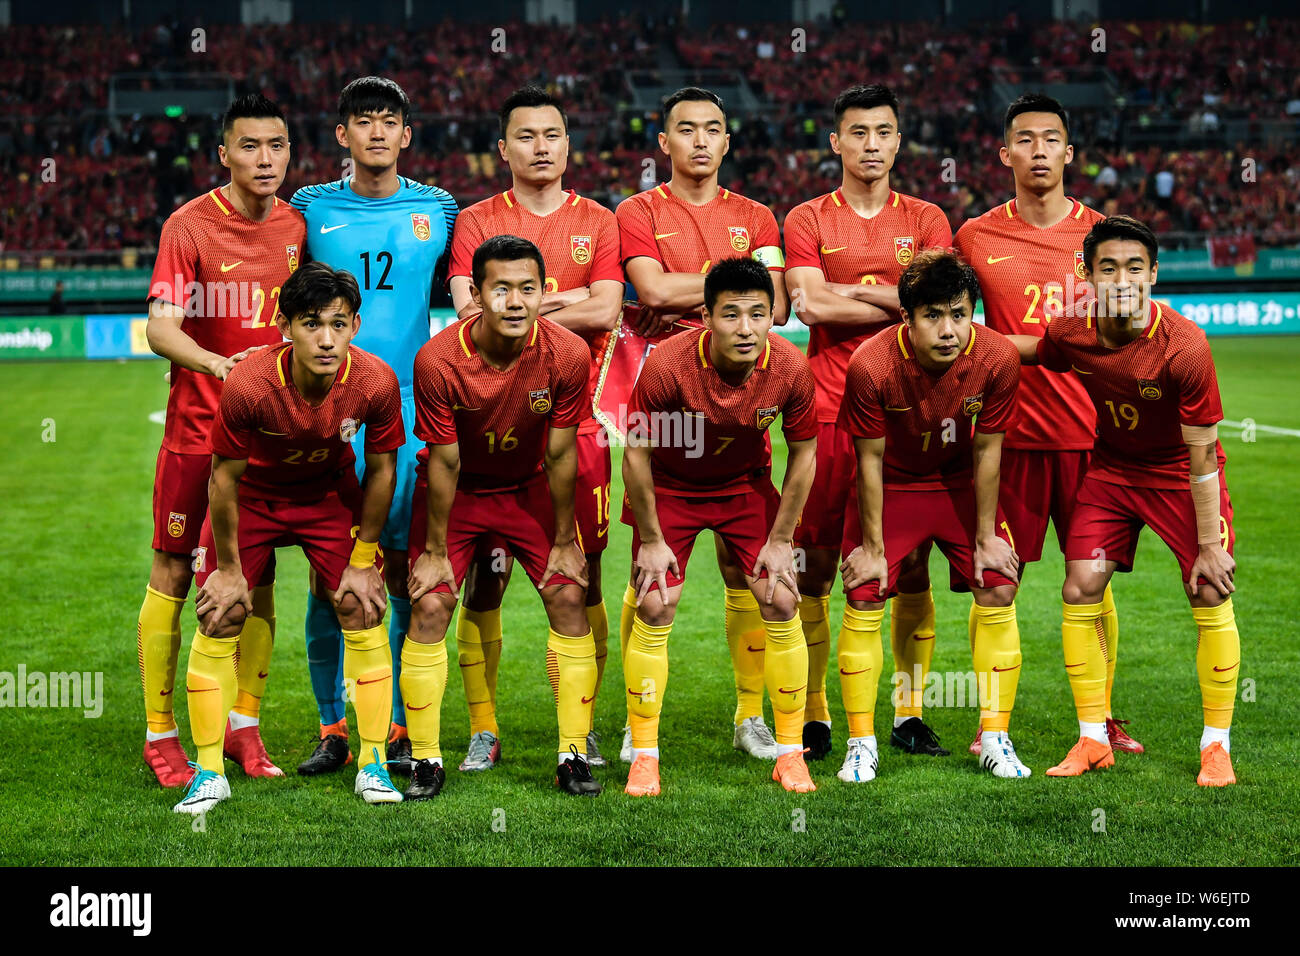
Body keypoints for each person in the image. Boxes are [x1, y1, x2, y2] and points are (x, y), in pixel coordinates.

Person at [1007, 215, 1240, 786]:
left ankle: (1216, 747)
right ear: (1086, 274)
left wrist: (1209, 546)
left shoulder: (1185, 345)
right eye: (1107, 267)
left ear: (1154, 273)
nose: (1122, 278)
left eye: (1135, 266)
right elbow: (1040, 352)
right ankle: (1092, 739)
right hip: (1111, 472)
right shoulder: (1073, 331)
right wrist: (966, 341)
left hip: (1179, 474)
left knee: (1209, 588)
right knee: (1079, 586)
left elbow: (1204, 454)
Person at [172, 262, 406, 814]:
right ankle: (207, 772)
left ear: (355, 324)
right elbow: (222, 478)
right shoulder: (250, 382)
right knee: (220, 613)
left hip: (326, 497)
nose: (326, 339)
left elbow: (381, 472)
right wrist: (228, 569)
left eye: (339, 323)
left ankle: (371, 765)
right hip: (251, 498)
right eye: (311, 323)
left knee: (362, 603)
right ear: (285, 326)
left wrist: (364, 557)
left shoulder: (374, 380)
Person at [953, 93, 1141, 756]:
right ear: (1005, 154)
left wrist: (1018, 342)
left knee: (1092, 581)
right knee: (995, 582)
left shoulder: (1105, 240)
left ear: (1068, 152)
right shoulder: (974, 237)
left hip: (1095, 440)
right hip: (1005, 442)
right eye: (1024, 140)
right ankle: (990, 727)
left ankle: (1102, 719)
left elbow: (1126, 332)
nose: (1038, 150)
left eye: (1050, 139)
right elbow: (959, 331)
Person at [445, 86, 622, 771]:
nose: (540, 146)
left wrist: (523, 309)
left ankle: (580, 728)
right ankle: (484, 730)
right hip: (489, 428)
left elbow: (607, 310)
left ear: (567, 145)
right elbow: (469, 316)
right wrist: (567, 299)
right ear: (503, 149)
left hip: (578, 430)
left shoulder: (599, 220)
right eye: (526, 136)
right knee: (484, 581)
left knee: (584, 580)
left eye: (552, 134)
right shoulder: (476, 220)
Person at [613, 86, 789, 763]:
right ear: (664, 143)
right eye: (685, 130)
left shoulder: (757, 213)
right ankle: (638, 717)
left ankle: (751, 718)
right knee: (649, 575)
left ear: (727, 140)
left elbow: (771, 301)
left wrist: (694, 287)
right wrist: (729, 285)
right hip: (664, 408)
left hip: (744, 406)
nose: (700, 141)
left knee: (749, 576)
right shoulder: (636, 210)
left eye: (712, 129)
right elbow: (649, 293)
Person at [290, 77, 459, 776]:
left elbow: (472, 299)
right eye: (364, 122)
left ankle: (385, 718)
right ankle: (332, 727)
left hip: (410, 418)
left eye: (390, 121)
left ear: (407, 134)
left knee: (393, 571)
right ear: (342, 135)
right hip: (326, 416)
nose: (378, 133)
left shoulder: (439, 210)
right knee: (327, 576)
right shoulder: (308, 209)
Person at [138, 93, 305, 788]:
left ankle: (243, 725)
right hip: (199, 434)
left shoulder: (299, 226)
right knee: (176, 572)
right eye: (250, 147)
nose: (264, 160)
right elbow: (161, 327)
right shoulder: (189, 226)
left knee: (256, 577)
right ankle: (160, 733)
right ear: (224, 154)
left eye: (277, 146)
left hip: (270, 438)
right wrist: (215, 365)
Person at [782, 84, 952, 761]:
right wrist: (895, 298)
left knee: (910, 570)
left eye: (884, 132)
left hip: (914, 414)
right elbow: (811, 307)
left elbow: (937, 306)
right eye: (859, 133)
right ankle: (818, 715)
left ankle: (909, 714)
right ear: (837, 142)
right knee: (816, 567)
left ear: (899, 141)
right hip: (828, 412)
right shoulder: (806, 218)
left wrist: (850, 291)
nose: (872, 144)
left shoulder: (930, 218)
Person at [402, 235, 600, 800]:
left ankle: (572, 754)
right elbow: (444, 460)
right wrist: (436, 551)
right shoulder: (439, 360)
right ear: (477, 294)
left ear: (545, 292)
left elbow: (561, 453)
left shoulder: (567, 353)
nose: (516, 301)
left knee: (568, 593)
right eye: (502, 289)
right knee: (433, 600)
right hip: (458, 491)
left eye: (528, 289)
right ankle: (425, 759)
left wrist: (566, 539)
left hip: (528, 487)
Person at [621, 257, 818, 796]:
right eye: (731, 315)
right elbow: (634, 453)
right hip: (670, 487)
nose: (747, 327)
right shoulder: (667, 365)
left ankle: (789, 753)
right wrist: (652, 539)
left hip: (743, 487)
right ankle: (643, 753)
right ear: (706, 316)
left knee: (780, 596)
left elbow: (804, 455)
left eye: (758, 313)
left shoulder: (790, 367)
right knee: (655, 600)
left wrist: (781, 541)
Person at [838, 250, 1030, 781]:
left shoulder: (996, 358)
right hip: (894, 485)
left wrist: (988, 536)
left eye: (960, 314)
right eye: (933, 316)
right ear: (907, 317)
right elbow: (869, 460)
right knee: (864, 591)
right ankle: (862, 741)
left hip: (958, 485)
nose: (949, 330)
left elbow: (988, 451)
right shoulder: (871, 364)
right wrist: (873, 549)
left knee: (997, 584)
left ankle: (995, 736)